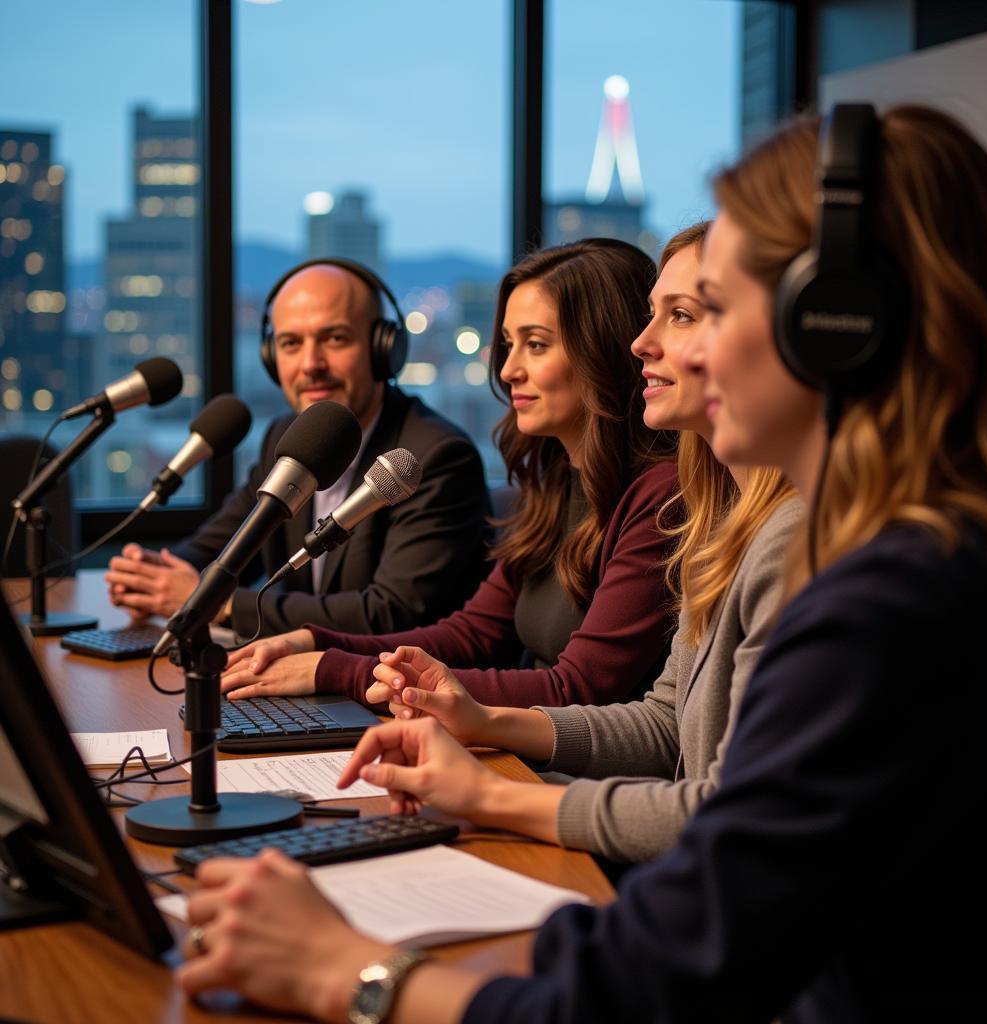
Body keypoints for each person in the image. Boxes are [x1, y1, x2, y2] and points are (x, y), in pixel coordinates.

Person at [178, 105, 987, 1022]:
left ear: (838, 325)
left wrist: (345, 971)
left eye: (716, 309)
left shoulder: (889, 600)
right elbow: (701, 829)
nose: (671, 350)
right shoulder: (909, 557)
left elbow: (659, 976)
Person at [352, 223, 801, 864]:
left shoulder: (784, 539)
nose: (641, 345)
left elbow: (734, 819)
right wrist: (480, 719)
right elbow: (663, 722)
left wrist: (487, 795)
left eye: (680, 316)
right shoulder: (720, 525)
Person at [218, 239, 680, 710]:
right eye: (507, 345)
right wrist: (312, 643)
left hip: (569, 772)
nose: (509, 370)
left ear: (603, 352)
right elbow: (474, 633)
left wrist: (333, 669)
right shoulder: (556, 482)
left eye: (535, 345)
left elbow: (576, 690)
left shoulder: (660, 496)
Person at [104, 259, 491, 637]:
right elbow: (223, 544)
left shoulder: (433, 457)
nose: (310, 364)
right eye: (290, 343)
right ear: (272, 359)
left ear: (383, 349)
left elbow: (392, 614)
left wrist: (216, 602)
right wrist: (150, 577)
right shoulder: (291, 438)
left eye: (335, 339)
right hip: (302, 689)